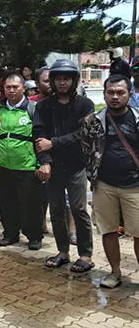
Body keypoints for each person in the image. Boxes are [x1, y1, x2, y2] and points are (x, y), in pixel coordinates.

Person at [33, 59, 95, 273]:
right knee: (57, 210)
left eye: (66, 78)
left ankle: (86, 255)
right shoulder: (43, 106)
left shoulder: (85, 105)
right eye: (58, 78)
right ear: (52, 80)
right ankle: (63, 251)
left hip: (77, 165)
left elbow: (83, 134)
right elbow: (38, 136)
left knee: (79, 209)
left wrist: (55, 143)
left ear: (74, 80)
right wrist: (45, 162)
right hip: (53, 166)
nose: (62, 83)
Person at [80, 74, 139, 288]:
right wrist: (92, 175)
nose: (115, 97)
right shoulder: (93, 120)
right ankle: (115, 273)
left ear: (129, 95)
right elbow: (86, 149)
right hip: (104, 184)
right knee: (108, 230)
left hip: (135, 186)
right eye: (110, 92)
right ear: (104, 94)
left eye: (120, 92)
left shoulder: (137, 119)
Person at [0, 74, 45, 250]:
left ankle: (34, 236)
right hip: (2, 166)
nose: (11, 91)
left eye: (15, 87)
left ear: (23, 88)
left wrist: (41, 163)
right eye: (8, 87)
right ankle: (10, 233)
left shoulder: (33, 109)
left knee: (30, 204)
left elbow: (40, 137)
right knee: (6, 202)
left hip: (27, 166)